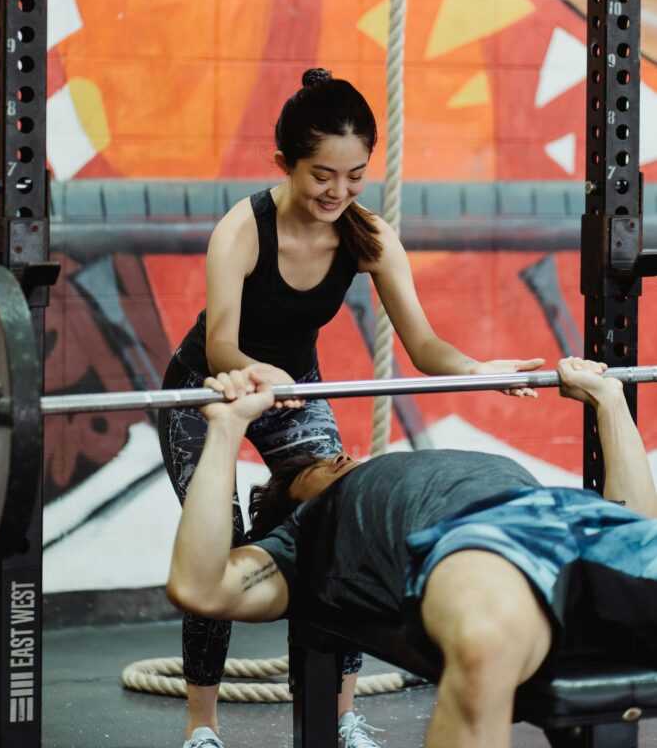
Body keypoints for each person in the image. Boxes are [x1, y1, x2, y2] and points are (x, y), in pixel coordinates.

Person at [158, 68, 545, 748]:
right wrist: (251, 377)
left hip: (294, 386)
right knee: (219, 543)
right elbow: (220, 343)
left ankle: (340, 712)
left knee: (336, 524)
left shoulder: (366, 236)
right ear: (285, 163)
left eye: (355, 175)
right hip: (208, 391)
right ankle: (202, 726)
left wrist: (476, 369)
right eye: (320, 175)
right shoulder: (242, 232)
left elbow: (424, 346)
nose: (337, 192)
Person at [167, 359, 657, 748]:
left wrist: (607, 400)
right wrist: (227, 428)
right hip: (483, 544)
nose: (339, 456)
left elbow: (636, 523)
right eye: (311, 471)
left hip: (573, 520)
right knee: (485, 644)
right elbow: (198, 587)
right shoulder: (306, 538)